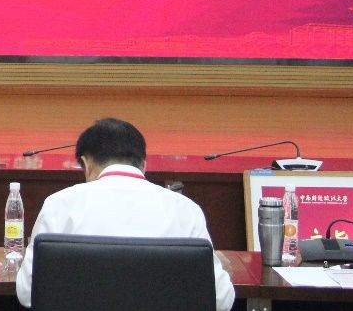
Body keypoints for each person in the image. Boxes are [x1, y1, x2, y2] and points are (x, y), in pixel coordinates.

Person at [15, 118, 234, 310]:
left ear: (86, 164)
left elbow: (27, 292)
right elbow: (221, 299)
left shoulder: (59, 205)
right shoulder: (185, 209)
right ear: (143, 165)